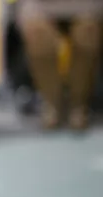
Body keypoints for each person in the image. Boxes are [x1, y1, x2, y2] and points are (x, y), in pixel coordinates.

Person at [18, 0, 103, 130]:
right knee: (37, 32)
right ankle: (52, 101)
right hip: (40, 5)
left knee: (87, 31)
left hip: (86, 4)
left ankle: (78, 103)